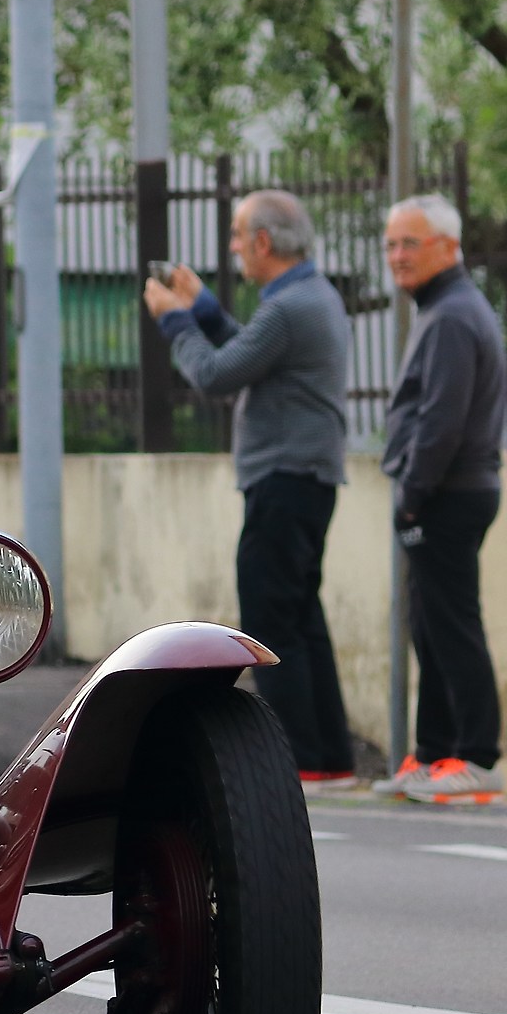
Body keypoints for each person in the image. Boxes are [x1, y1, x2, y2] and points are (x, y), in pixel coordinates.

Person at [142, 191, 357, 792]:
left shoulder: (288, 308)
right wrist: (205, 308)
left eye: (238, 235)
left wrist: (175, 319)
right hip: (307, 479)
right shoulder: (310, 298)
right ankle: (328, 758)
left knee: (271, 619)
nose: (233, 246)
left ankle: (298, 760)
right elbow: (252, 351)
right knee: (301, 616)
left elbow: (215, 374)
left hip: (284, 480)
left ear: (264, 241)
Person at [376, 193, 507, 805]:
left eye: (411, 243)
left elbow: (441, 421)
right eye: (391, 244)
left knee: (451, 627)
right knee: (430, 627)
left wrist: (412, 495)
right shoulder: (445, 308)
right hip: (445, 493)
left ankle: (478, 758)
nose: (398, 255)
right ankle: (434, 756)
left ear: (449, 248)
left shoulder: (453, 315)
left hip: (446, 496)